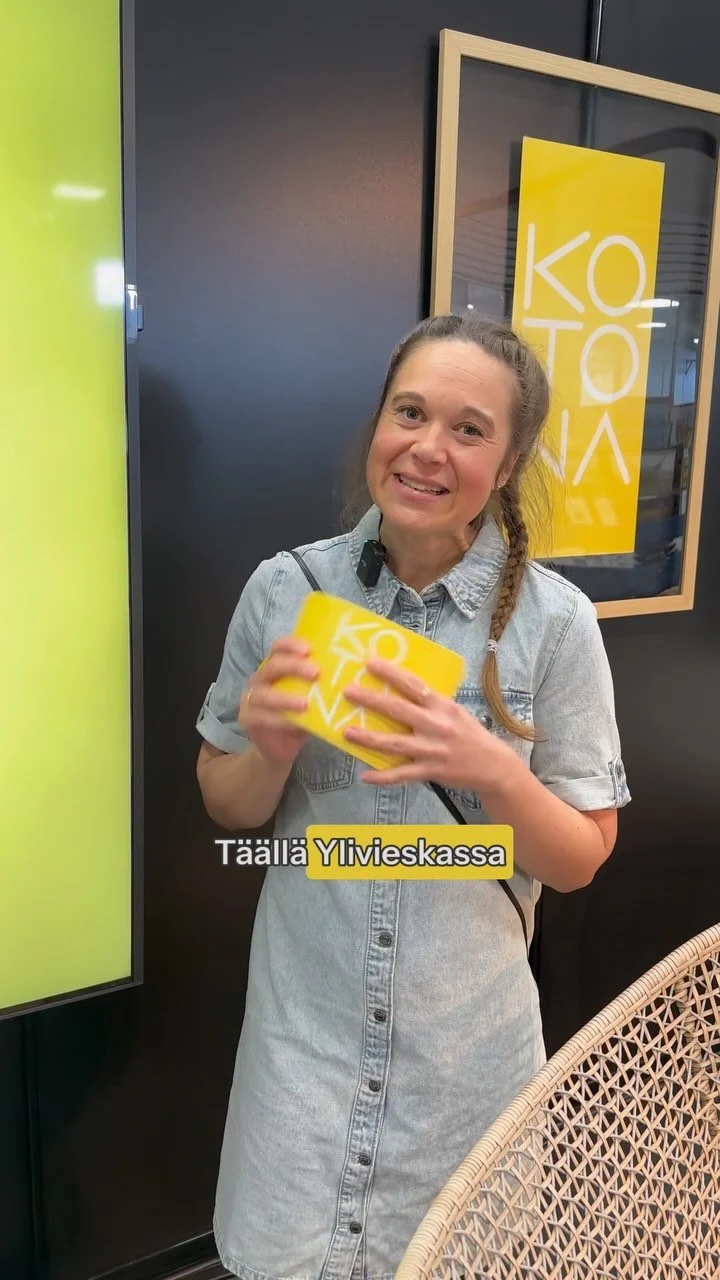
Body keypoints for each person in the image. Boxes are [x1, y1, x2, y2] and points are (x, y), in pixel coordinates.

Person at [195, 314, 631, 1280]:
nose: (429, 448)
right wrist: (268, 751)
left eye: (470, 430)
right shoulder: (288, 590)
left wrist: (493, 770)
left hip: (465, 1075)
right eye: (410, 412)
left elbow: (580, 858)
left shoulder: (557, 625)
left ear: (508, 463)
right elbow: (229, 806)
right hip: (300, 1067)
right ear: (379, 423)